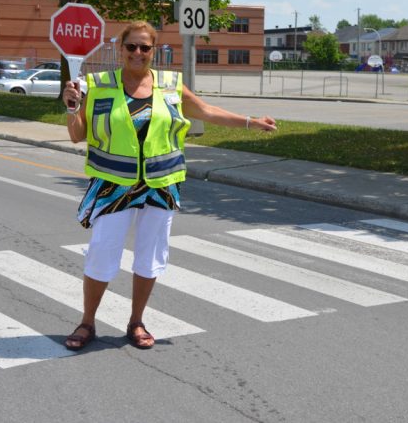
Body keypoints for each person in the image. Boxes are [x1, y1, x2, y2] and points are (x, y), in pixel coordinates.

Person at [61, 20, 276, 351]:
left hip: (160, 185)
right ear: (121, 49)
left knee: (150, 256)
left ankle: (136, 321)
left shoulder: (170, 85)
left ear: (154, 51)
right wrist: (71, 106)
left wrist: (251, 122)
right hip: (113, 185)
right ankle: (87, 321)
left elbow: (207, 111)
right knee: (103, 253)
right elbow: (77, 135)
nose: (137, 53)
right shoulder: (98, 85)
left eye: (145, 47)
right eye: (131, 46)